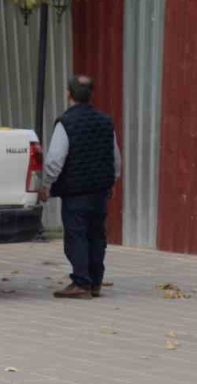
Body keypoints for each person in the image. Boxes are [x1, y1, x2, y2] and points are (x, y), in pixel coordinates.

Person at [40, 74, 122, 299]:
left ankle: (81, 283)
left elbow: (55, 159)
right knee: (97, 236)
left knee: (76, 236)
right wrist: (112, 181)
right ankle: (95, 282)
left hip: (76, 193)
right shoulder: (106, 121)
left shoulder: (66, 122)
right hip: (100, 192)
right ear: (91, 95)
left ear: (69, 94)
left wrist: (46, 185)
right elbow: (114, 157)